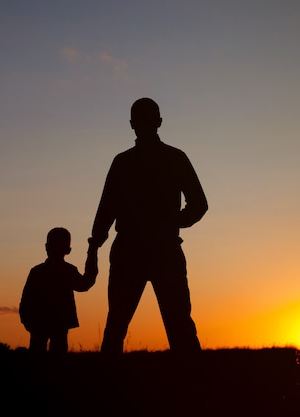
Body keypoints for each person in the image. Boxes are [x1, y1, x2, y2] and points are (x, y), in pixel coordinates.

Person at [86, 97, 208, 355]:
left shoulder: (126, 161)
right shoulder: (169, 158)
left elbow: (106, 208)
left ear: (132, 125)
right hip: (151, 249)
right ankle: (196, 388)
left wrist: (95, 243)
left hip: (143, 250)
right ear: (159, 122)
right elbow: (199, 205)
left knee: (123, 326)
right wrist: (174, 222)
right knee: (173, 327)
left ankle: (194, 386)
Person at [20, 227, 98, 353]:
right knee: (44, 357)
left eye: (59, 245)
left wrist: (92, 253)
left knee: (51, 357)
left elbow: (85, 284)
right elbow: (26, 300)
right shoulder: (40, 272)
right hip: (42, 323)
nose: (56, 249)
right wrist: (92, 252)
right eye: (54, 245)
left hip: (54, 323)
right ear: (68, 250)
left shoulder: (44, 272)